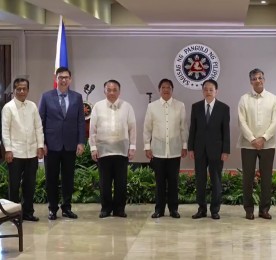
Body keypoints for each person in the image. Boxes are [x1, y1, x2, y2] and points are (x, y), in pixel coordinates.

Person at [39, 67, 86, 220]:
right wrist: (42, 143)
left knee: (68, 178)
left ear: (70, 79)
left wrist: (81, 142)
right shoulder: (46, 97)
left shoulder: (77, 97)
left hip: (70, 145)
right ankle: (52, 208)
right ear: (56, 79)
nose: (63, 80)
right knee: (51, 178)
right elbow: (41, 122)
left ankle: (67, 207)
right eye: (60, 77)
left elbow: (80, 121)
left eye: (66, 77)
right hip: (51, 145)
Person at [89, 80, 136, 218]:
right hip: (103, 151)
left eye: (114, 90)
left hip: (122, 150)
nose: (111, 92)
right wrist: (93, 148)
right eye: (108, 90)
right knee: (105, 182)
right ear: (104, 91)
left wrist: (132, 146)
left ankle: (119, 209)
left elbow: (132, 128)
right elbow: (93, 129)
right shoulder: (98, 106)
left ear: (119, 91)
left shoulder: (127, 107)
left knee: (121, 182)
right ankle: (106, 208)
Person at [237, 68, 276, 220]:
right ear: (250, 81)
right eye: (254, 78)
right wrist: (252, 139)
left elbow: (275, 121)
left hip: (267, 144)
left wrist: (263, 138)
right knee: (247, 178)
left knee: (267, 178)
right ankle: (249, 209)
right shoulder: (244, 99)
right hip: (248, 144)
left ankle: (264, 210)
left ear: (264, 79)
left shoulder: (273, 98)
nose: (258, 81)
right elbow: (241, 121)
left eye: (260, 78)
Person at [143, 78, 188, 219]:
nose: (166, 90)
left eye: (168, 87)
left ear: (172, 90)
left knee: (174, 182)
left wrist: (185, 145)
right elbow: (147, 128)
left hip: (174, 151)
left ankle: (174, 209)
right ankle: (159, 210)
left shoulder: (180, 106)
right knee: (160, 182)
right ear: (159, 90)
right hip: (157, 151)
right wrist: (147, 146)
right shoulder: (152, 107)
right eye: (163, 87)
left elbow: (183, 127)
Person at [2, 78, 44, 221]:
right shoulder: (8, 107)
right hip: (15, 153)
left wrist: (40, 146)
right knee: (14, 186)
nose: (21, 91)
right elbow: (5, 131)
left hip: (31, 152)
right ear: (14, 90)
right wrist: (8, 150)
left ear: (27, 90)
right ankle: (13, 214)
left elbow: (38, 127)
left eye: (24, 89)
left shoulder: (32, 106)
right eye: (18, 89)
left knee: (29, 185)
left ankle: (28, 212)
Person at [188, 79, 230, 220]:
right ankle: (201, 209)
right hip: (199, 149)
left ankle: (215, 210)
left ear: (216, 91)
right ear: (202, 91)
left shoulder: (224, 108)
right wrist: (190, 148)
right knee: (200, 180)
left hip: (217, 151)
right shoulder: (196, 107)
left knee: (216, 180)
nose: (208, 92)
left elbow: (226, 131)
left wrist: (225, 151)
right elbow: (192, 129)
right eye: (205, 89)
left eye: (211, 89)